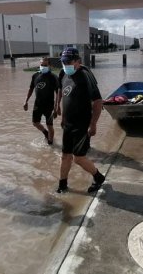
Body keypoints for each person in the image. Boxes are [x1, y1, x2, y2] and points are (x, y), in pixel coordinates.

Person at [56, 47, 105, 193]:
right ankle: (62, 186)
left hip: (82, 123)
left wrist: (93, 124)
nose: (65, 65)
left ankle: (98, 177)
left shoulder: (85, 75)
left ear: (78, 61)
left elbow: (97, 101)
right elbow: (66, 98)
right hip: (69, 124)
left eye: (68, 61)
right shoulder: (63, 74)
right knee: (65, 156)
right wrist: (63, 118)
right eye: (63, 62)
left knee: (78, 158)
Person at [24, 57, 59, 144]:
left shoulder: (53, 77)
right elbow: (31, 89)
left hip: (49, 105)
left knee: (50, 125)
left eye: (45, 65)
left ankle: (51, 144)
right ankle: (45, 133)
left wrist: (56, 107)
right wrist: (26, 101)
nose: (43, 66)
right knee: (35, 123)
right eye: (42, 65)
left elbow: (58, 93)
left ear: (50, 65)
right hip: (38, 104)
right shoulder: (35, 76)